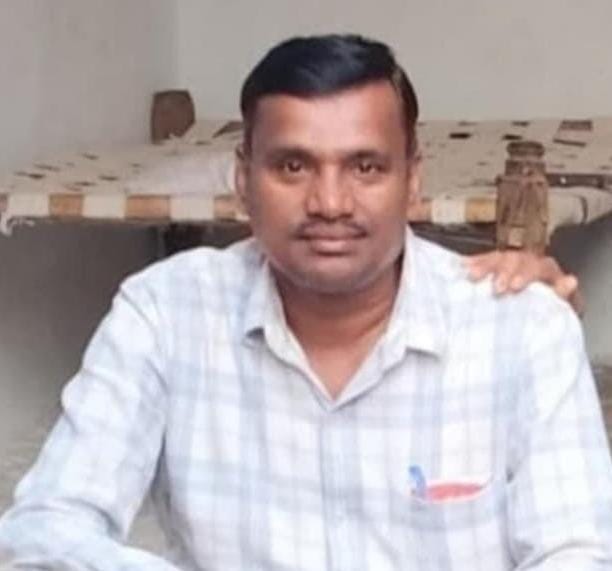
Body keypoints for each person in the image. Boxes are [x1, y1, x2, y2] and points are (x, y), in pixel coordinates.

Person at [0, 34, 609, 570]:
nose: (330, 203)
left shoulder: (521, 328)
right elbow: (45, 531)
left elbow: (579, 552)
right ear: (243, 180)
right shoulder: (164, 315)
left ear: (413, 180)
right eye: (293, 166)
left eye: (365, 167)